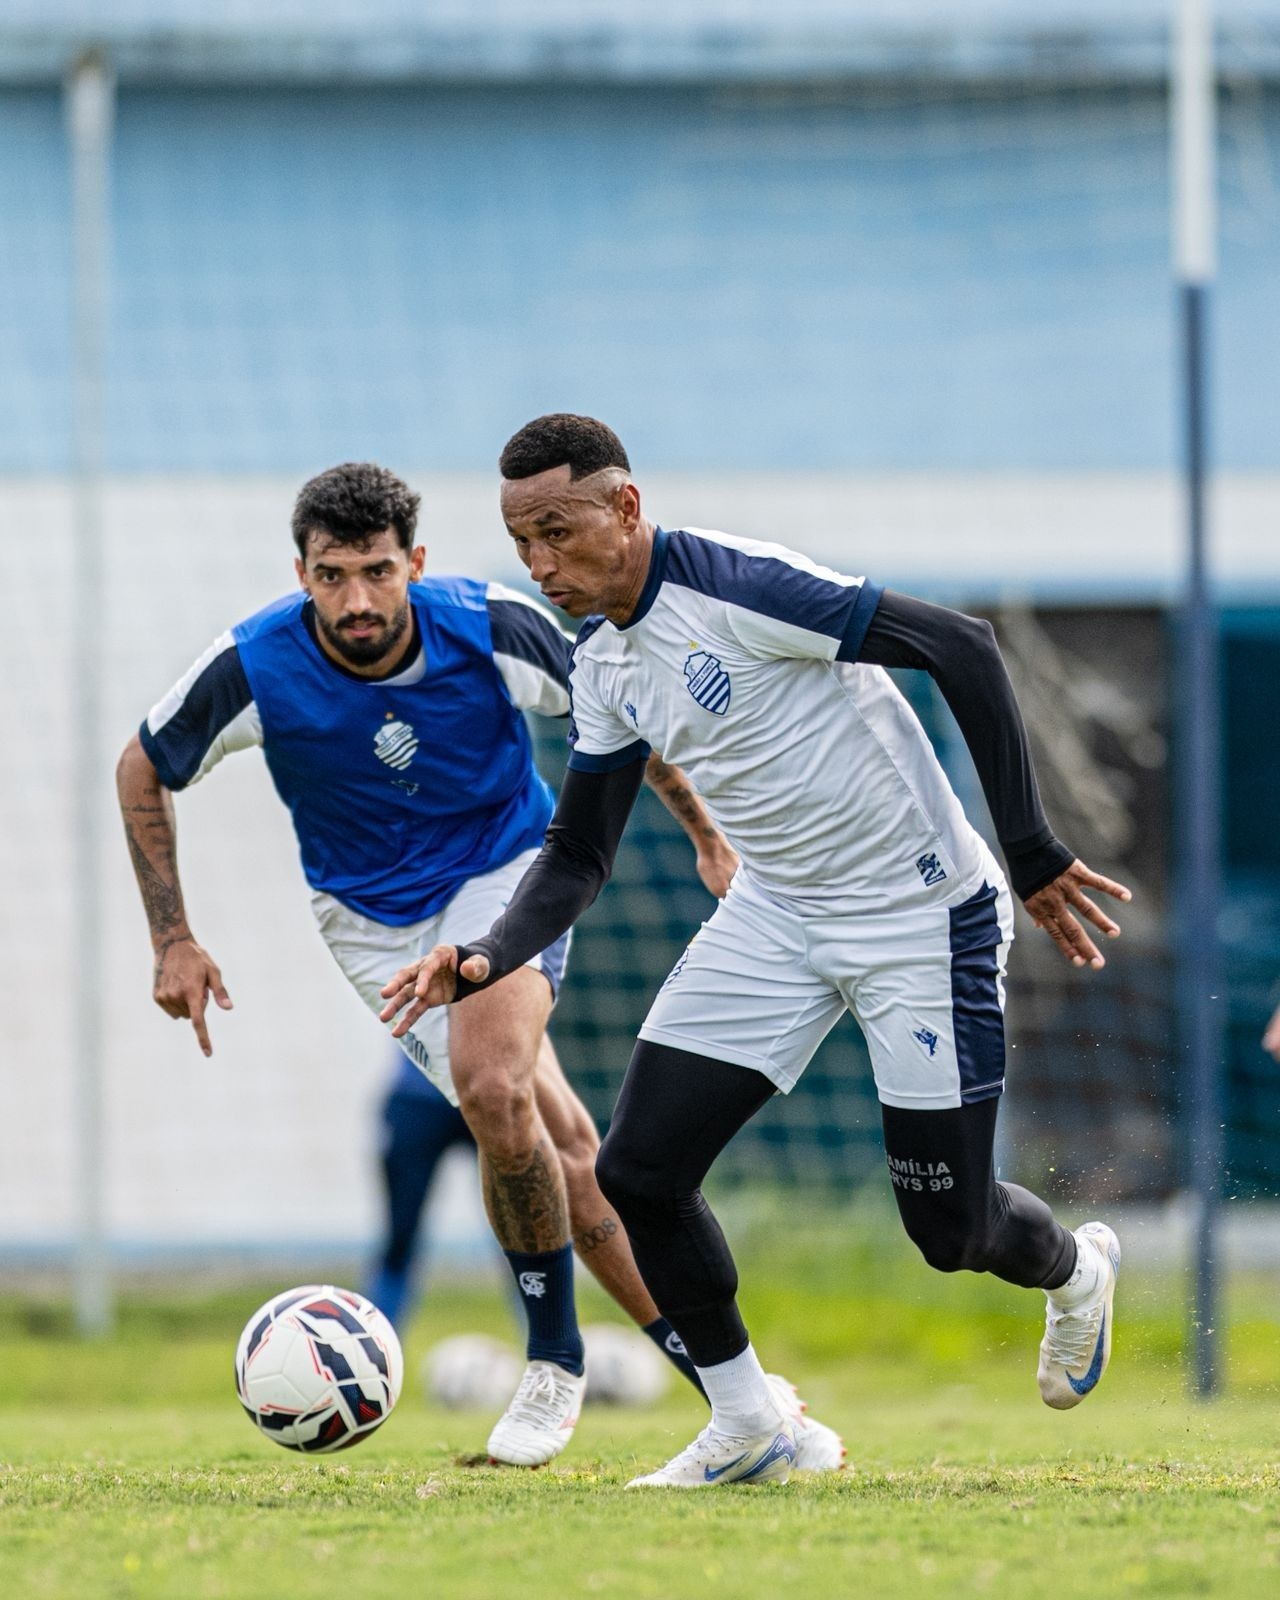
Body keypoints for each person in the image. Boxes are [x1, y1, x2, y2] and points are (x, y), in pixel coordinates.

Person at [382, 413, 1134, 1490]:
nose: (540, 564)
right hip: (777, 914)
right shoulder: (600, 662)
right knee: (639, 1170)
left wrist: (1027, 847)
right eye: (521, 543)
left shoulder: (739, 583)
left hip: (917, 915)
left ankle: (1074, 1270)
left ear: (624, 507)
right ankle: (748, 1423)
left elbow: (958, 644)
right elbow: (577, 856)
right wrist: (485, 953)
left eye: (556, 530)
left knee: (947, 1226)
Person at [116, 461, 841, 1472]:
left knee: (491, 1085)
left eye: (376, 571)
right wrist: (172, 939)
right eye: (331, 576)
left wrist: (705, 836)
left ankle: (551, 1361)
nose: (357, 599)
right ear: (301, 572)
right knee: (567, 1150)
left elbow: (620, 701)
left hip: (504, 874)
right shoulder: (252, 663)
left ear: (413, 561)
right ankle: (753, 1411)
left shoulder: (490, 623)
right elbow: (143, 762)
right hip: (369, 922)